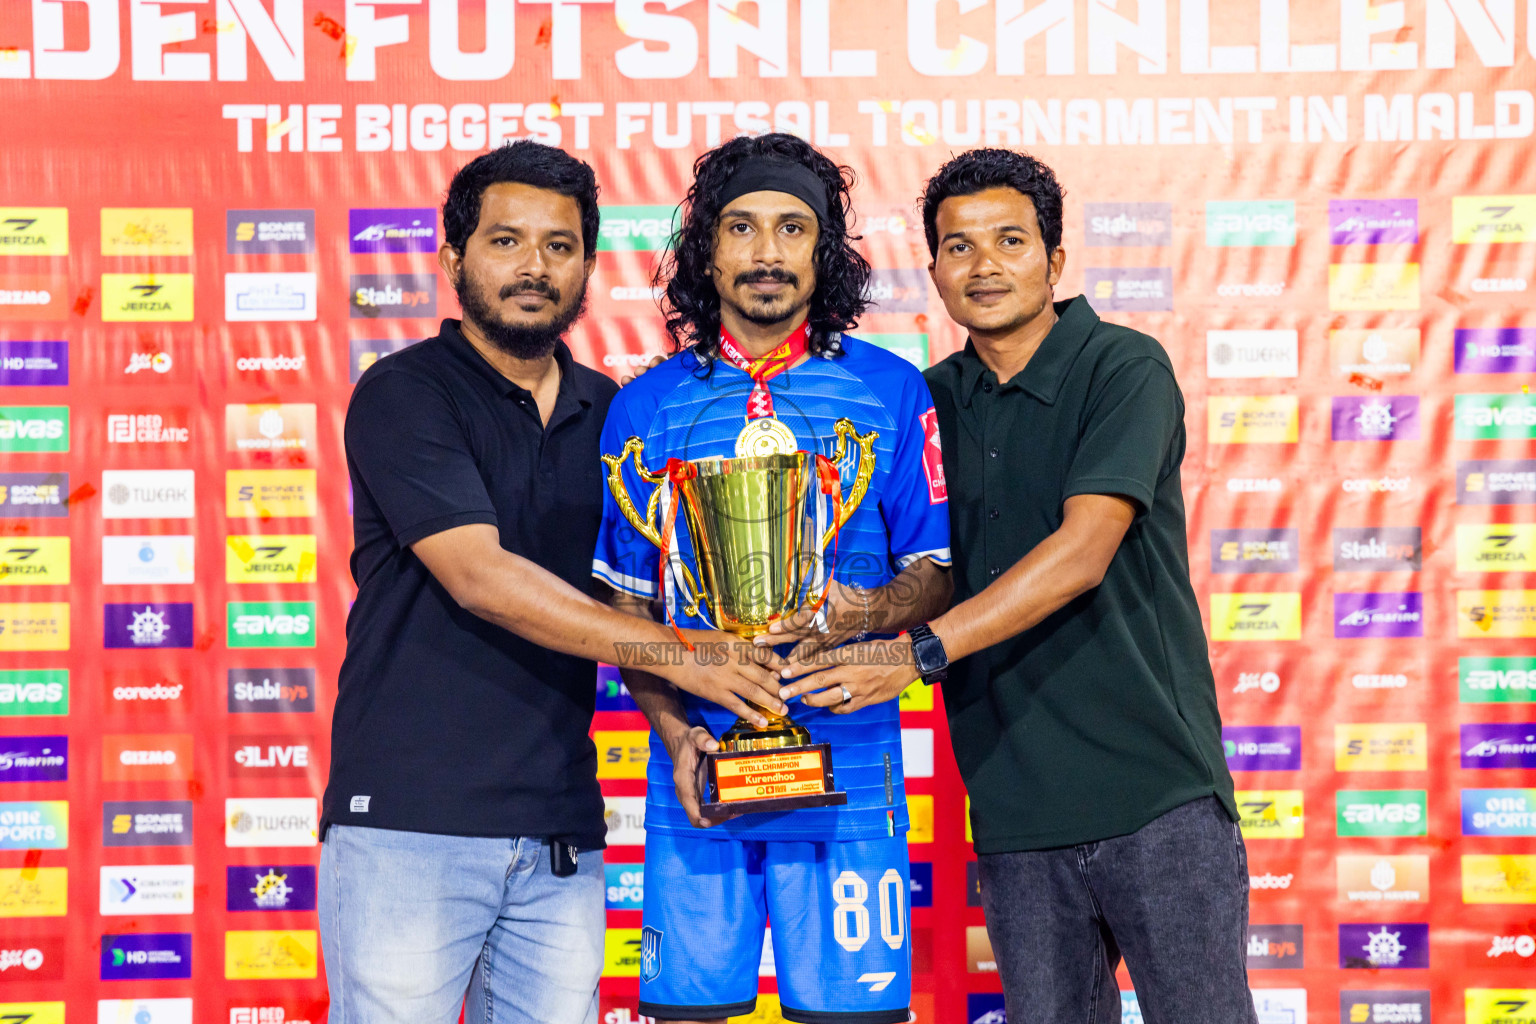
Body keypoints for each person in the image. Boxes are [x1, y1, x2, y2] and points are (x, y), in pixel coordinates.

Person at [319, 140, 788, 1024]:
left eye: (559, 246)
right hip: (409, 826)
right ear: (455, 257)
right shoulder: (404, 393)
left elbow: (624, 603)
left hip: (561, 834)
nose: (534, 267)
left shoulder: (613, 413)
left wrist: (674, 723)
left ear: (584, 265)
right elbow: (481, 577)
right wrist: (685, 657)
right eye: (505, 242)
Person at [781, 148, 1254, 1024]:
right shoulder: (927, 401)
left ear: (1056, 261)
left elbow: (1083, 551)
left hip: (1154, 794)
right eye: (959, 248)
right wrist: (867, 610)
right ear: (934, 273)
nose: (985, 264)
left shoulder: (1122, 367)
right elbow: (936, 572)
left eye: (1010, 240)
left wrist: (914, 653)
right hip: (1012, 806)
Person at [592, 132, 953, 1024]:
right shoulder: (644, 405)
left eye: (793, 229)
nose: (766, 252)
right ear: (705, 251)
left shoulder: (892, 391)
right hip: (701, 775)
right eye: (742, 228)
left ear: (823, 251)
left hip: (853, 764)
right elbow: (626, 611)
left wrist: (867, 611)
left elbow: (937, 572)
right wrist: (676, 730)